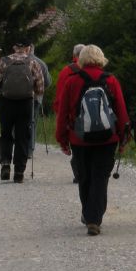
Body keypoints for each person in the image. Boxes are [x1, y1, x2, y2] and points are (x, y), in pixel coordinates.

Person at [55, 44, 129, 236]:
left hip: (79, 139)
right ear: (101, 58)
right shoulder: (111, 80)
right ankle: (94, 218)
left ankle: (90, 215)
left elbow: (62, 113)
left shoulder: (72, 81)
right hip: (108, 138)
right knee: (100, 177)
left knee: (84, 177)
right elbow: (120, 110)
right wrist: (123, 137)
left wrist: (62, 139)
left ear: (81, 59)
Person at [0, 40, 45, 183]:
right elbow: (40, 87)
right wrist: (34, 94)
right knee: (22, 136)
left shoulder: (4, 61)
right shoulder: (33, 63)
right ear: (28, 48)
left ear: (14, 47)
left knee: (6, 133)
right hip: (25, 103)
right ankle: (19, 172)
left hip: (7, 102)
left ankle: (5, 164)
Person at [53, 43, 86, 183]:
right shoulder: (95, 70)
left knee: (77, 146)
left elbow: (60, 96)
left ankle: (79, 172)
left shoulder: (66, 71)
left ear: (74, 56)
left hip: (72, 116)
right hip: (92, 116)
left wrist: (60, 114)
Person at [27, 43, 52, 157]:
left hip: (15, 98)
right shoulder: (40, 62)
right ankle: (29, 149)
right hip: (35, 98)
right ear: (32, 49)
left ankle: (18, 147)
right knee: (32, 122)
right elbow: (47, 82)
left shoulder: (12, 60)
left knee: (17, 122)